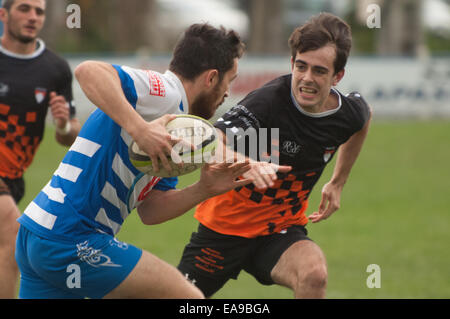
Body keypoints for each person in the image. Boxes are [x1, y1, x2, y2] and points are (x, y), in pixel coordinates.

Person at [14, 23, 250, 299]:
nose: (227, 94)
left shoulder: (176, 125)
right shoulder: (166, 92)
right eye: (229, 81)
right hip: (72, 239)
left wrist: (204, 189)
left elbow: (150, 211)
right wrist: (141, 129)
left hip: (38, 236)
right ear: (211, 78)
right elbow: (88, 70)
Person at [177, 13, 372, 298]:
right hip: (223, 230)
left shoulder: (346, 113)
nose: (306, 78)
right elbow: (214, 137)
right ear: (292, 64)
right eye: (301, 66)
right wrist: (245, 163)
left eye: (319, 71)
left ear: (337, 76)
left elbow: (363, 120)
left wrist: (338, 182)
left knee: (314, 275)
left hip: (280, 230)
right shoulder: (267, 102)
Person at [0, 0, 81, 298]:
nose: (33, 16)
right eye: (24, 8)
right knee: (12, 231)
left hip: (13, 178)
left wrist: (61, 125)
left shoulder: (55, 69)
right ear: (3, 14)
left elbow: (70, 135)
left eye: (39, 11)